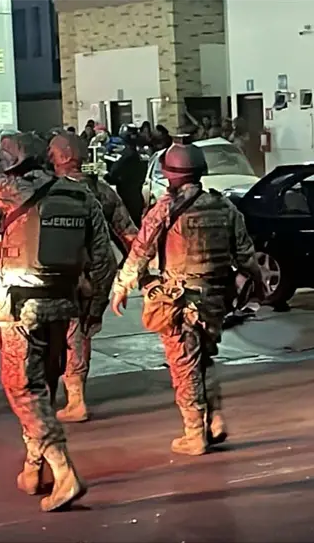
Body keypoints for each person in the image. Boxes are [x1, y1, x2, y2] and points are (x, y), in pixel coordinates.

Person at [0, 132, 116, 512]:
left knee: (23, 390)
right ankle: (33, 468)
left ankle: (63, 470)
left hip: (22, 309)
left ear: (12, 163)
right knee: (43, 388)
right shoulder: (82, 197)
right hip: (64, 305)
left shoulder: (12, 191)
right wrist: (93, 309)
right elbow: (104, 262)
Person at [110, 139, 264, 456]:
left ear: (169, 175)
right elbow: (246, 256)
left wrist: (121, 286)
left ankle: (195, 433)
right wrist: (256, 286)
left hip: (178, 300)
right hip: (215, 298)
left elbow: (139, 253)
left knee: (184, 365)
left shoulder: (163, 210)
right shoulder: (224, 207)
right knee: (204, 357)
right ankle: (215, 418)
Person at [46, 132, 137, 423]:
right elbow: (129, 234)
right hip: (100, 272)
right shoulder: (103, 190)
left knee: (58, 333)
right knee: (81, 333)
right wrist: (136, 272)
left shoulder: (47, 190)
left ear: (59, 157)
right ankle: (74, 394)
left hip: (66, 273)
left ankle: (68, 399)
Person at [106, 124, 146, 226]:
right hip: (136, 195)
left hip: (128, 197)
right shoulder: (137, 153)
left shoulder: (128, 155)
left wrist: (106, 176)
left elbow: (114, 173)